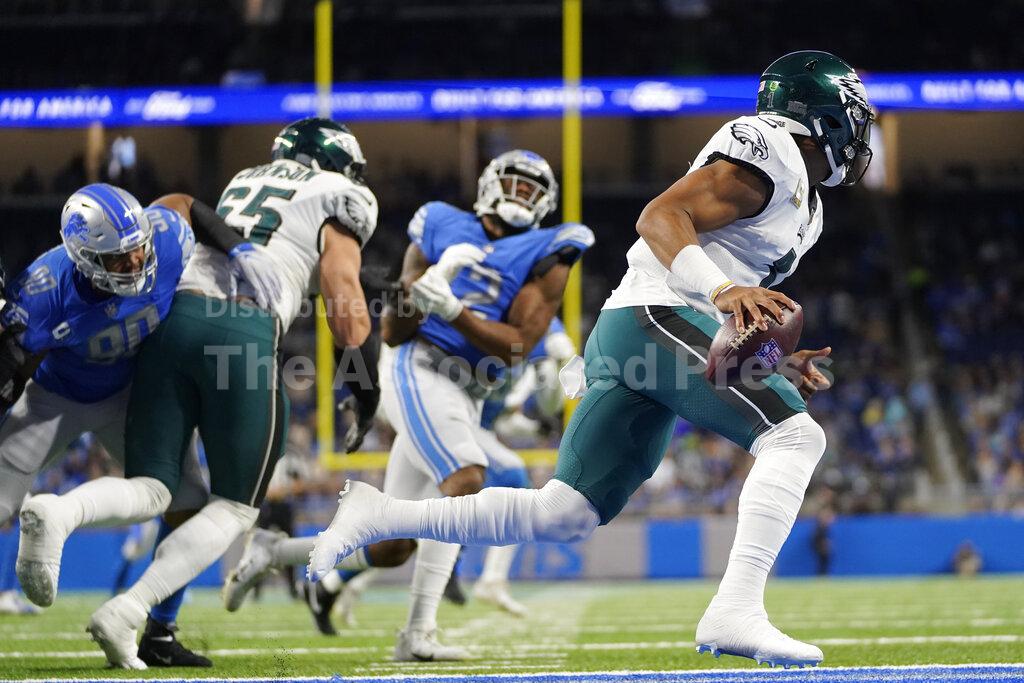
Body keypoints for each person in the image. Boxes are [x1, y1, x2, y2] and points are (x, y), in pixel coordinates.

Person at [308, 50, 871, 669]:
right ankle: (736, 608)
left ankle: (380, 514)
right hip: (656, 316)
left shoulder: (807, 208)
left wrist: (771, 358)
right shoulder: (769, 150)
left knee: (565, 513)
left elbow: (733, 295)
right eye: (853, 109)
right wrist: (721, 291)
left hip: (653, 328)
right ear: (819, 113)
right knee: (794, 437)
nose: (861, 126)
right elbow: (660, 217)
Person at [15, 118, 379, 670]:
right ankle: (129, 609)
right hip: (242, 329)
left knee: (161, 490)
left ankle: (68, 521)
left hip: (170, 325)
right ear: (338, 163)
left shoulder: (245, 179)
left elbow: (178, 212)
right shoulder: (340, 195)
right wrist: (366, 385)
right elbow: (343, 299)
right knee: (234, 506)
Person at [223, 150, 593, 660]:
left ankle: (274, 551)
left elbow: (514, 347)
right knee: (466, 479)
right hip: (419, 367)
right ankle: (418, 634)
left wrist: (454, 308)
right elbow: (395, 331)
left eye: (531, 191)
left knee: (391, 546)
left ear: (545, 204)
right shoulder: (440, 222)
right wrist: (417, 295)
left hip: (467, 391)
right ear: (488, 185)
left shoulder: (547, 252)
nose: (518, 197)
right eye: (512, 184)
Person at [0, 182, 277, 666]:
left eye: (137, 249)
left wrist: (238, 247)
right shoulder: (42, 291)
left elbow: (184, 204)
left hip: (132, 394)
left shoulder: (164, 239)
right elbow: (13, 374)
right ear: (83, 257)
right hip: (55, 397)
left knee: (186, 502)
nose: (135, 262)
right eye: (118, 258)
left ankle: (161, 634)